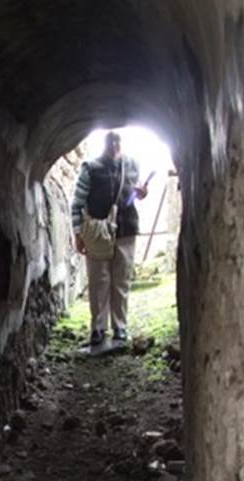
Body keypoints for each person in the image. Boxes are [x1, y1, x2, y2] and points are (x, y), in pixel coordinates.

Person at [71, 131, 149, 352]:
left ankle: (119, 326)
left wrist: (142, 193)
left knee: (121, 279)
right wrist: (78, 233)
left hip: (126, 229)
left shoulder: (132, 164)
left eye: (118, 140)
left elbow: (136, 193)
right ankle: (97, 327)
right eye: (110, 140)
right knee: (98, 280)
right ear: (104, 143)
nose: (115, 144)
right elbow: (77, 203)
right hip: (98, 232)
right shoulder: (91, 168)